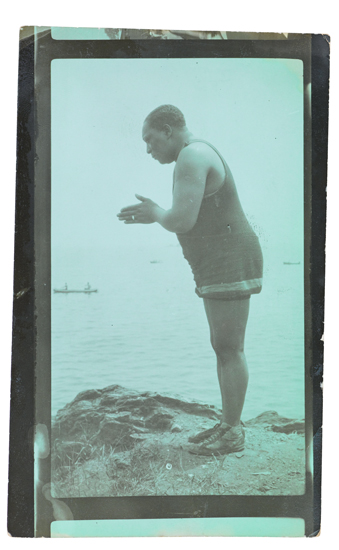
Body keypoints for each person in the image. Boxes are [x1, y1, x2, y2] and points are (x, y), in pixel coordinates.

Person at [117, 105, 263, 455]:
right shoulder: (192, 153)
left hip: (228, 261)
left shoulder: (192, 155)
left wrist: (155, 213)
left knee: (229, 347)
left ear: (168, 130)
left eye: (150, 140)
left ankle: (232, 432)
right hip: (219, 262)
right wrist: (156, 214)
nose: (148, 149)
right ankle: (230, 423)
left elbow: (182, 220)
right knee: (223, 346)